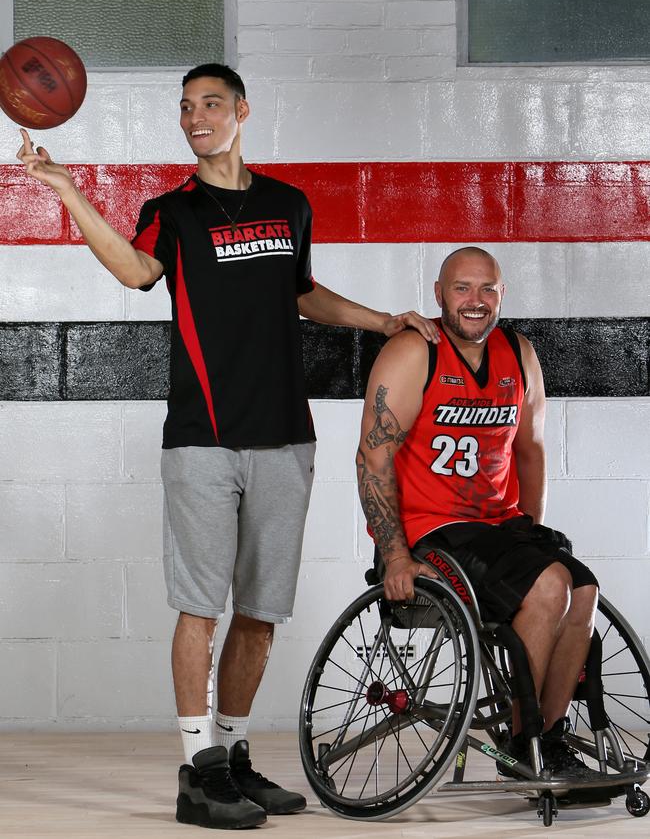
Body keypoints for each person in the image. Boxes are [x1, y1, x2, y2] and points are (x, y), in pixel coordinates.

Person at [17, 63, 438, 831]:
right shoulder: (172, 211)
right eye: (186, 108)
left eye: (211, 103)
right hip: (203, 438)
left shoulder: (288, 204)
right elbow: (136, 269)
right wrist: (69, 192)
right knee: (199, 609)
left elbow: (302, 292)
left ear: (243, 111)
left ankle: (236, 755)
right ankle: (198, 767)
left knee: (260, 612)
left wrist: (384, 321)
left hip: (286, 436)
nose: (196, 116)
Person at [356, 245, 603, 794]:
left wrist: (530, 534)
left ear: (502, 295)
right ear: (440, 295)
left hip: (497, 528)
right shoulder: (413, 352)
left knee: (580, 587)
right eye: (462, 288)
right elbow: (372, 458)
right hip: (432, 532)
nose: (476, 300)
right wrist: (395, 554)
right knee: (549, 586)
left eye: (487, 288)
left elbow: (532, 451)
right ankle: (524, 746)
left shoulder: (519, 354)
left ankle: (545, 737)